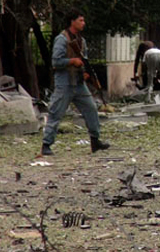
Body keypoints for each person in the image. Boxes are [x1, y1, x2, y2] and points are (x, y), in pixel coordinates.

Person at [41, 9, 110, 156]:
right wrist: (72, 61)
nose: (83, 23)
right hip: (64, 83)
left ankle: (95, 140)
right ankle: (46, 145)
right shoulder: (62, 39)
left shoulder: (81, 41)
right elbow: (55, 62)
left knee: (91, 109)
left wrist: (85, 72)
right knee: (56, 113)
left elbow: (84, 61)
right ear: (72, 21)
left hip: (78, 83)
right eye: (80, 20)